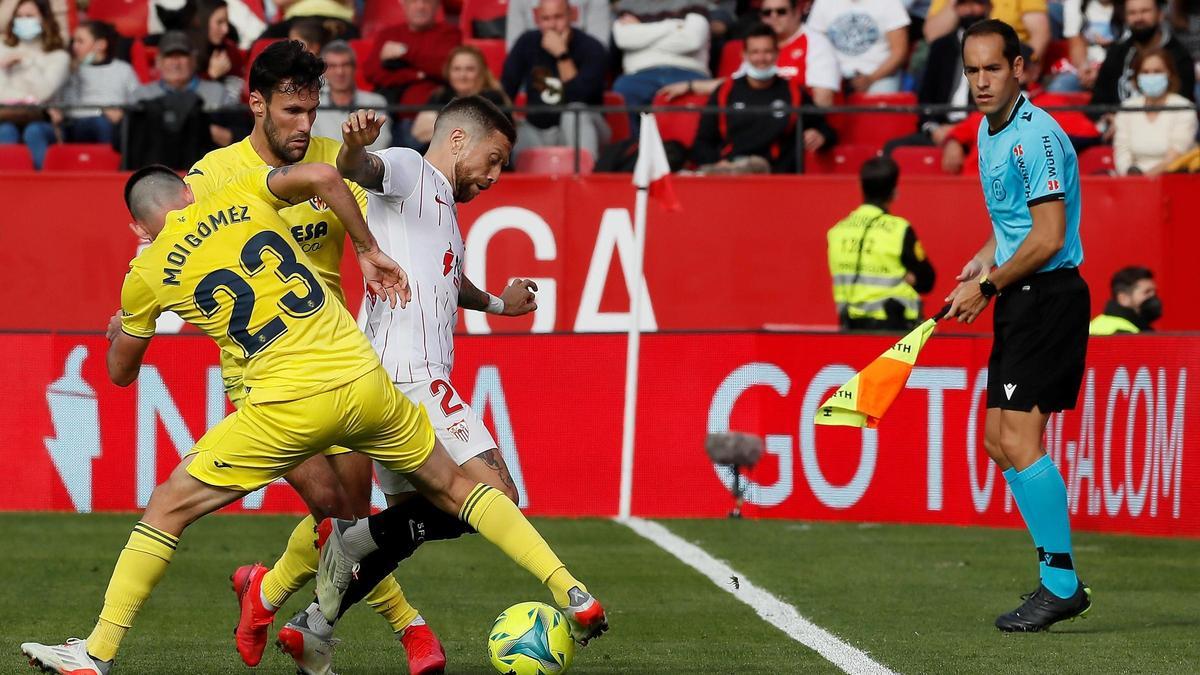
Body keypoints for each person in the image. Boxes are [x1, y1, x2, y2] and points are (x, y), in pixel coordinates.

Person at [18, 106, 607, 675]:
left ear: (139, 227)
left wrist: (125, 327)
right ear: (189, 192)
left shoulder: (147, 272)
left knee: (169, 507)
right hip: (364, 376)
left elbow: (121, 373)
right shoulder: (242, 192)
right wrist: (368, 249)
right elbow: (330, 174)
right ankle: (572, 593)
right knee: (458, 490)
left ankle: (95, 652)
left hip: (287, 402)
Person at [269, 97, 548, 675]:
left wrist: (497, 302)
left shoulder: (441, 205)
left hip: (388, 381)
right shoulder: (410, 168)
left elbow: (447, 278)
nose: (494, 177)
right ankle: (346, 544)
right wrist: (353, 146)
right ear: (455, 142)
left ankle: (316, 623)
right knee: (497, 497)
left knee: (406, 524)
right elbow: (361, 170)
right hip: (414, 378)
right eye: (491, 159)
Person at [177, 39, 429, 673]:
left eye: (311, 110)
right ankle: (413, 631)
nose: (302, 123)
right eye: (290, 109)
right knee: (336, 512)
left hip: (338, 364)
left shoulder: (335, 161)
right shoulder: (212, 176)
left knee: (348, 519)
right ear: (256, 103)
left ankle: (260, 591)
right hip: (264, 377)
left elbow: (397, 216)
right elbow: (176, 258)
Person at [945, 19, 1091, 632]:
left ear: (1020, 69)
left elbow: (1050, 236)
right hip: (1019, 292)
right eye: (972, 70)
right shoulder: (988, 129)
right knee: (996, 442)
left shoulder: (1037, 139)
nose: (981, 82)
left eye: (992, 69)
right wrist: (985, 256)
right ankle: (1057, 578)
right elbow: (1014, 224)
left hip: (1048, 296)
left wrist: (987, 285)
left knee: (1022, 443)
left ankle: (1060, 582)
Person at [691, 24, 837, 174]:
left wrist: (820, 135)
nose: (761, 59)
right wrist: (718, 163)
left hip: (774, 175)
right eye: (755, 52)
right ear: (744, 55)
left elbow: (825, 128)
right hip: (727, 171)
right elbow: (702, 141)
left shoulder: (793, 93)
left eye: (767, 52)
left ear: (777, 54)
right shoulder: (724, 91)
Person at [828, 155, 936, 330]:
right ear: (894, 191)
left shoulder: (837, 231)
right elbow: (927, 280)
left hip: (849, 327)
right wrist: (910, 277)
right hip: (894, 329)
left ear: (860, 187)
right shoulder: (899, 230)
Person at [502, 0, 609, 161]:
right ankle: (524, 181)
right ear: (537, 19)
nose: (552, 25)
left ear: (572, 15)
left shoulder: (591, 47)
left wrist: (562, 55)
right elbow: (506, 90)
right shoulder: (526, 43)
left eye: (558, 17)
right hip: (538, 130)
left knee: (574, 113)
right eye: (546, 19)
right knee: (515, 129)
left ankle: (585, 177)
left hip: (585, 129)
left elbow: (580, 96)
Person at [884, 0, 991, 155]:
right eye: (964, 5)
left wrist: (960, 131)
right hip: (940, 128)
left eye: (976, 4)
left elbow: (1000, 103)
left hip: (979, 131)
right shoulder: (941, 46)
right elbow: (926, 98)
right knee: (893, 149)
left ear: (988, 7)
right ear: (955, 8)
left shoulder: (998, 48)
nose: (970, 10)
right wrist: (933, 129)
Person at [611, 1, 712, 134]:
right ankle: (633, 151)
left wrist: (642, 34)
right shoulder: (628, 6)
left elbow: (691, 41)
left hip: (688, 73)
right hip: (639, 75)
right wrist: (676, 26)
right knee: (622, 91)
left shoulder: (695, 5)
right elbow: (625, 39)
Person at [131, 30, 240, 148]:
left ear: (194, 60)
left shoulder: (218, 93)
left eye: (182, 55)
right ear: (158, 62)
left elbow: (242, 137)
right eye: (169, 56)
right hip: (154, 162)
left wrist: (205, 129)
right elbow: (120, 140)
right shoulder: (141, 95)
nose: (176, 63)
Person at [1091, 0, 1196, 116]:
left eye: (1145, 11)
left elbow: (1183, 107)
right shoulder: (1117, 53)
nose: (1138, 18)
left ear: (1160, 15)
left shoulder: (1180, 56)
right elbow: (1098, 103)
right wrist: (1106, 118)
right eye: (1132, 13)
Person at [0, 0, 69, 169]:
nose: (24, 20)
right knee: (6, 131)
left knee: (34, 131)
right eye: (19, 16)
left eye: (29, 16)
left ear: (44, 19)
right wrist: (27, 99)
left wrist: (27, 62)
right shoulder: (2, 50)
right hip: (6, 117)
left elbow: (44, 92)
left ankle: (43, 187)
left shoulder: (58, 56)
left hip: (45, 122)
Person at [48, 20, 139, 146]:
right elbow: (62, 108)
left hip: (116, 127)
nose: (74, 46)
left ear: (100, 45)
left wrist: (122, 114)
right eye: (73, 41)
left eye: (80, 41)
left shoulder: (123, 69)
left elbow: (138, 103)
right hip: (75, 125)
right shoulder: (69, 70)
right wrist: (102, 110)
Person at [364, 0, 461, 113]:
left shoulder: (449, 33)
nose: (420, 6)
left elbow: (445, 68)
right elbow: (371, 72)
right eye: (413, 1)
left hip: (430, 114)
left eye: (427, 2)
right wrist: (416, 75)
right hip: (389, 112)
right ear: (404, 4)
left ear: (437, 6)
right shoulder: (388, 34)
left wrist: (405, 52)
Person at [1113, 46, 1197, 174]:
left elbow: (1177, 153)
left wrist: (1147, 178)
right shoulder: (1127, 108)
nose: (1151, 76)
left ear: (1169, 74)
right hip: (1133, 179)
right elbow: (1122, 152)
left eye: (1157, 71)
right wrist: (1130, 175)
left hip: (1173, 177)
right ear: (1137, 76)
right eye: (1145, 72)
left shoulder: (1184, 107)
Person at [412, 44, 510, 146]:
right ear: (448, 72)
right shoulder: (440, 96)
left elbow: (489, 137)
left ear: (482, 72)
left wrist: (440, 130)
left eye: (470, 69)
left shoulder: (493, 99)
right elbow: (420, 132)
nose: (462, 75)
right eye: (457, 69)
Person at [806, 0, 911, 92]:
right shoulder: (824, 2)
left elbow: (899, 52)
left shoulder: (890, 2)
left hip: (879, 75)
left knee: (881, 108)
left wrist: (871, 79)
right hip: (834, 74)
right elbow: (814, 44)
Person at [312, 40, 391, 150]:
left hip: (366, 165)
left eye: (345, 65)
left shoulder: (375, 101)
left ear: (354, 68)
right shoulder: (313, 103)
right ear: (323, 72)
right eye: (333, 66)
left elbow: (381, 144)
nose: (340, 72)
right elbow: (314, 146)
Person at [924, 0, 1051, 61]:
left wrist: (1025, 66)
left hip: (1009, 59)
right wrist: (956, 4)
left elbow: (1040, 33)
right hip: (958, 61)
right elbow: (932, 35)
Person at [1051, 0, 1121, 91]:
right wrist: (1085, 68)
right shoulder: (1076, 3)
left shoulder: (1131, 5)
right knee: (1060, 86)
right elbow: (1075, 41)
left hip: (1119, 65)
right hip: (1088, 65)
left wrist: (1104, 70)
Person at [191, 0, 246, 102]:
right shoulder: (185, 51)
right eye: (219, 22)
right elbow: (183, 99)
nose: (226, 29)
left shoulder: (230, 50)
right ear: (202, 21)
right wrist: (211, 76)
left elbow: (238, 95)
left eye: (226, 22)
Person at [506, 0, 612, 49]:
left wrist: (562, 53)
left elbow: (600, 48)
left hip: (580, 64)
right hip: (534, 69)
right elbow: (513, 48)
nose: (552, 25)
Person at [1089, 265, 1160, 333]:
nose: (1153, 296)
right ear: (1123, 298)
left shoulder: (1097, 323)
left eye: (1154, 292)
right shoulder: (1123, 333)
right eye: (1147, 292)